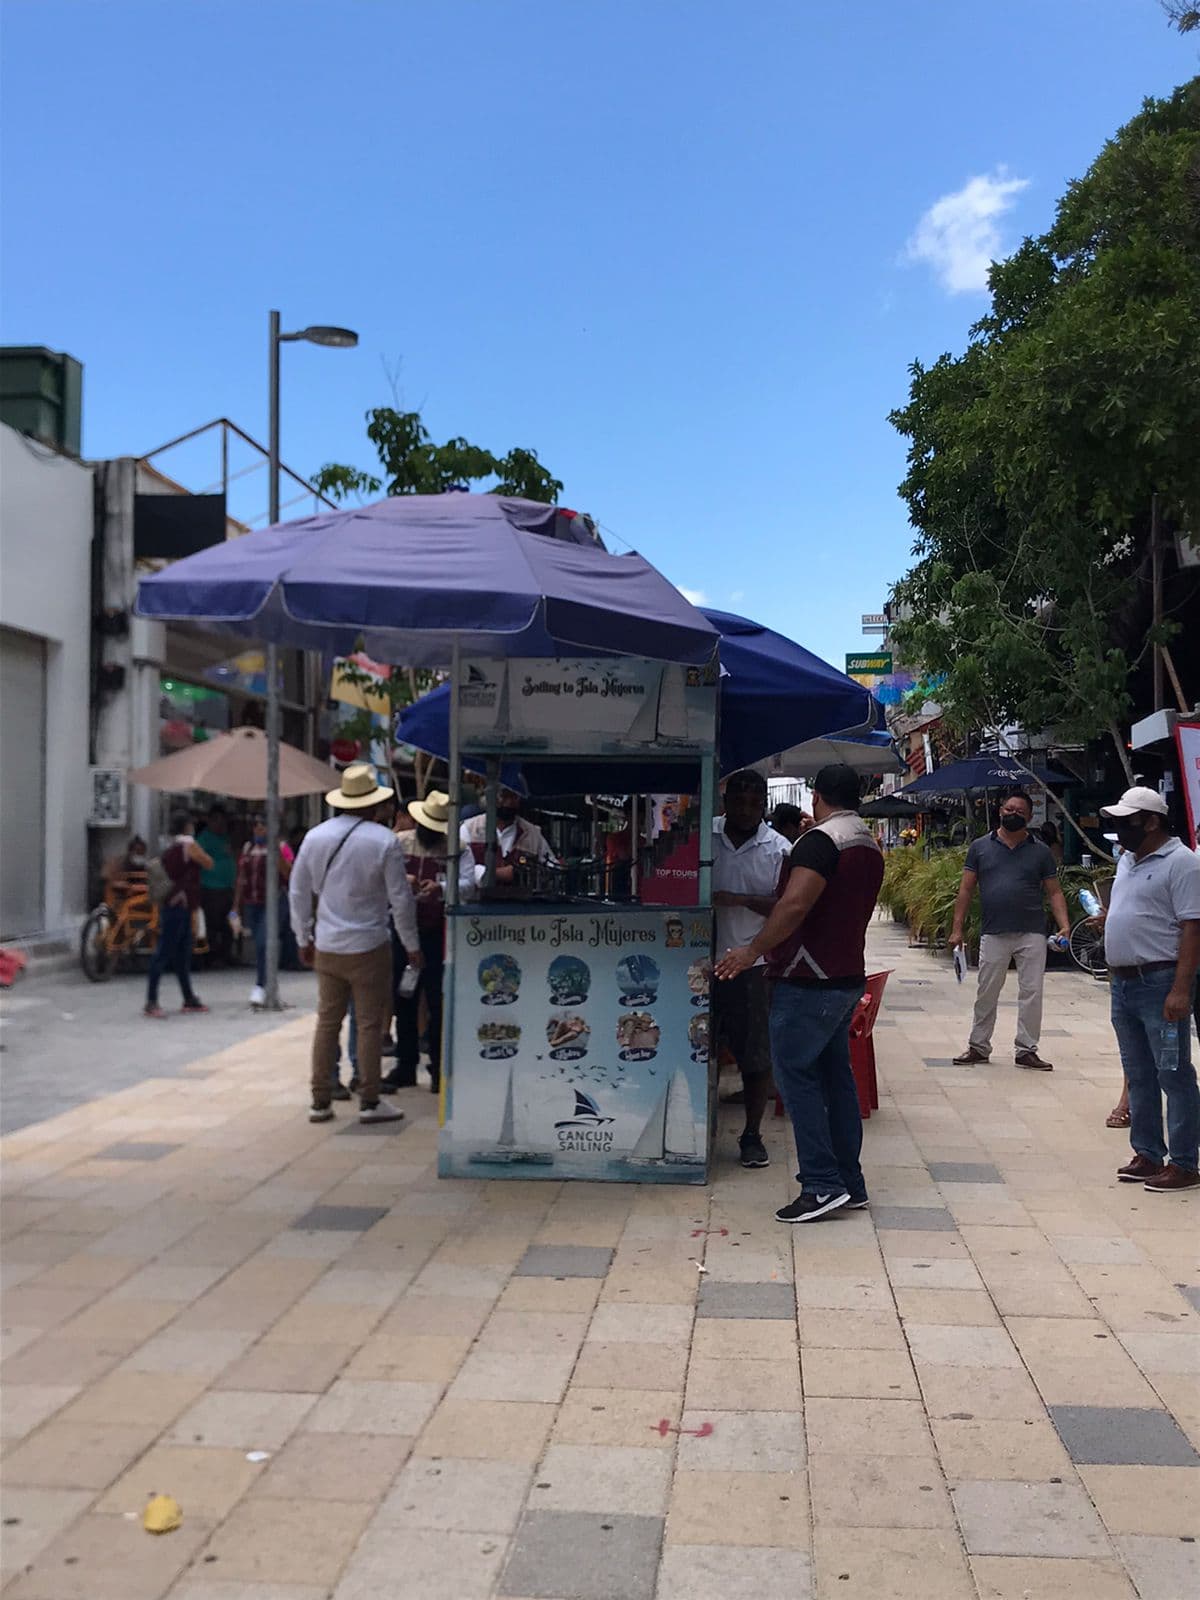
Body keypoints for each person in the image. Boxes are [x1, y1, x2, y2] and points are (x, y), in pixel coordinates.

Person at [716, 764, 884, 1223]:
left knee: (795, 1077)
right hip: (846, 975)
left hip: (808, 978)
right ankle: (849, 1182)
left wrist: (751, 950)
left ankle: (822, 1184)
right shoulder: (867, 841)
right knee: (836, 1080)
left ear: (816, 795)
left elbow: (794, 904)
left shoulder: (820, 842)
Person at [289, 764, 422, 1125]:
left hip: (328, 945)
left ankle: (320, 1100)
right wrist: (411, 945)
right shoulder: (383, 841)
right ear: (372, 804)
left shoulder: (315, 837)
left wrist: (303, 937)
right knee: (368, 1024)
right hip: (370, 944)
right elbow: (402, 900)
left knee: (327, 1021)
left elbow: (298, 891)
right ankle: (369, 1098)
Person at [1098, 786, 1200, 1193]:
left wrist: (1181, 989)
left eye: (1127, 822)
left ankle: (1185, 1162)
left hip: (1160, 983)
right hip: (1124, 983)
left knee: (1173, 1074)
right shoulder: (1128, 860)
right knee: (1138, 1073)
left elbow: (1193, 928)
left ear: (1152, 821)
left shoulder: (1182, 863)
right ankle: (1147, 1153)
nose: (1120, 829)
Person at [949, 788, 1072, 1071]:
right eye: (1009, 809)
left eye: (1020, 812)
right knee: (987, 991)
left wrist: (1064, 925)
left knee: (1032, 992)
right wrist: (957, 929)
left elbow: (1054, 892)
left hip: (1032, 932)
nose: (1013, 814)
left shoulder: (1040, 851)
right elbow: (966, 889)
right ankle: (978, 1046)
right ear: (999, 811)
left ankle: (1026, 1049)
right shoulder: (980, 847)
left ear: (1030, 817)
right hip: (994, 931)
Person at [712, 770, 791, 1169]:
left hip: (752, 966)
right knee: (697, 1050)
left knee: (755, 1055)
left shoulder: (778, 849)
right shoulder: (705, 836)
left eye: (752, 802)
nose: (744, 810)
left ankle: (751, 1134)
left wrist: (738, 899)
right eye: (737, 801)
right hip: (698, 962)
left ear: (764, 804)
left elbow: (787, 905)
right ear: (725, 801)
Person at [385, 790, 475, 1094]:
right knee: (404, 1000)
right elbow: (384, 880)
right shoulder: (399, 843)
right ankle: (405, 1065)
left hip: (440, 934)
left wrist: (443, 887)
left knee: (438, 1002)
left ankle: (438, 1070)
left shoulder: (459, 848)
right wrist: (403, 882)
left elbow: (469, 885)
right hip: (403, 931)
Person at [145, 812, 211, 1018]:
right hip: (179, 905)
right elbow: (208, 862)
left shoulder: (171, 847)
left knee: (181, 954)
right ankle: (151, 1001)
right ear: (187, 826)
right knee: (165, 952)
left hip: (174, 904)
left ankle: (188, 997)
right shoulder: (188, 845)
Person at [233, 815, 295, 1008]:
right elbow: (241, 878)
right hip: (254, 902)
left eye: (263, 825)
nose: (259, 829)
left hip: (275, 901)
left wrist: (275, 851)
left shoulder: (281, 847)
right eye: (256, 825)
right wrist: (235, 907)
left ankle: (261, 985)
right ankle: (269, 986)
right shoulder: (248, 848)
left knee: (263, 941)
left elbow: (288, 873)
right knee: (261, 944)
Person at [461, 786, 555, 886]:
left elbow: (551, 866)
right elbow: (458, 870)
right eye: (504, 796)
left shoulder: (532, 833)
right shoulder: (469, 828)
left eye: (514, 797)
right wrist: (493, 874)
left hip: (519, 900)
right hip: (476, 900)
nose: (509, 802)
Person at [196, 806, 237, 967]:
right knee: (213, 923)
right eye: (217, 821)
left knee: (229, 924)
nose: (221, 825)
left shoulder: (225, 838)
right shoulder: (203, 839)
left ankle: (225, 954)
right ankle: (211, 955)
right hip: (210, 887)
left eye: (223, 821)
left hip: (227, 888)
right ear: (211, 821)